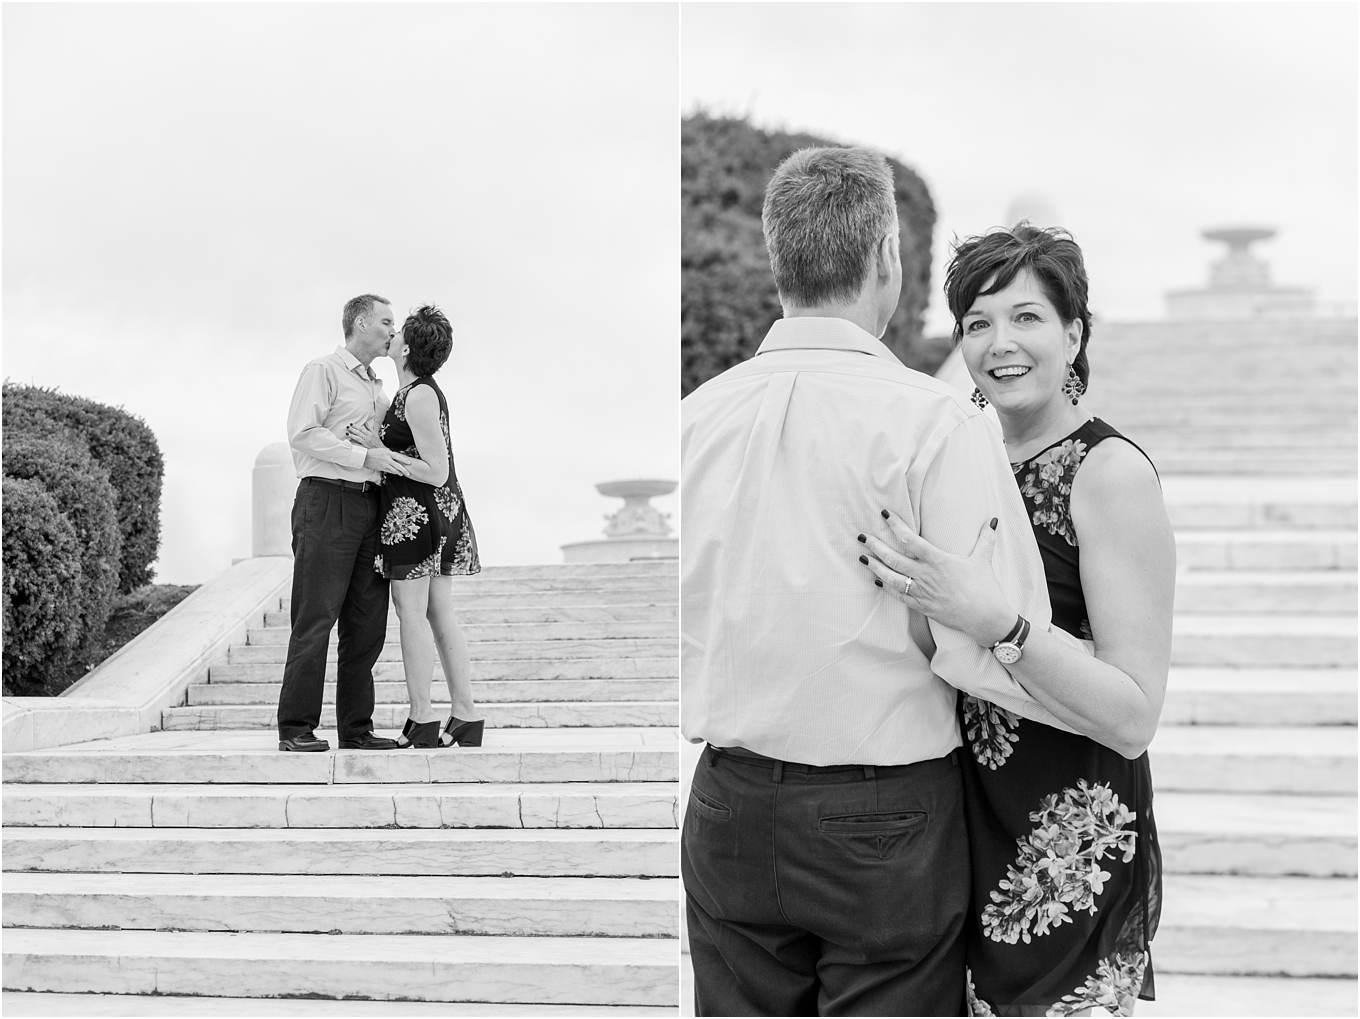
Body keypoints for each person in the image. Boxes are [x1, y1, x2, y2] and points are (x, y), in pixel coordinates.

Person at [680, 147, 1084, 1017]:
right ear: (887, 258)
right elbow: (995, 637)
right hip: (885, 815)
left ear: (778, 259)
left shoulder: (693, 420)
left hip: (727, 804)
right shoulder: (934, 421)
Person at [859, 225, 1173, 1016]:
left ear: (1074, 333)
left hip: (1068, 844)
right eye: (977, 322)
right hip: (961, 827)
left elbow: (1133, 715)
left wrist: (999, 619)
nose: (1001, 342)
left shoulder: (1109, 473)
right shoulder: (958, 466)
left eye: (1027, 316)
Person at [276, 294, 413, 752]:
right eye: (386, 321)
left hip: (371, 507)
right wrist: (364, 455)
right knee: (315, 617)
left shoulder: (379, 389)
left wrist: (376, 454)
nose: (394, 330)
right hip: (326, 501)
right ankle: (296, 728)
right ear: (358, 323)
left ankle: (357, 729)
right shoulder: (323, 371)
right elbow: (302, 433)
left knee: (367, 623)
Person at [346, 304, 484, 749]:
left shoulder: (420, 395)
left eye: (398, 330)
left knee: (413, 614)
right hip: (429, 512)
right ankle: (465, 714)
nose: (392, 334)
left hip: (417, 513)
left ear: (407, 347)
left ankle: (422, 716)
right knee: (438, 613)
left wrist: (377, 449)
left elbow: (436, 470)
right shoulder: (415, 391)